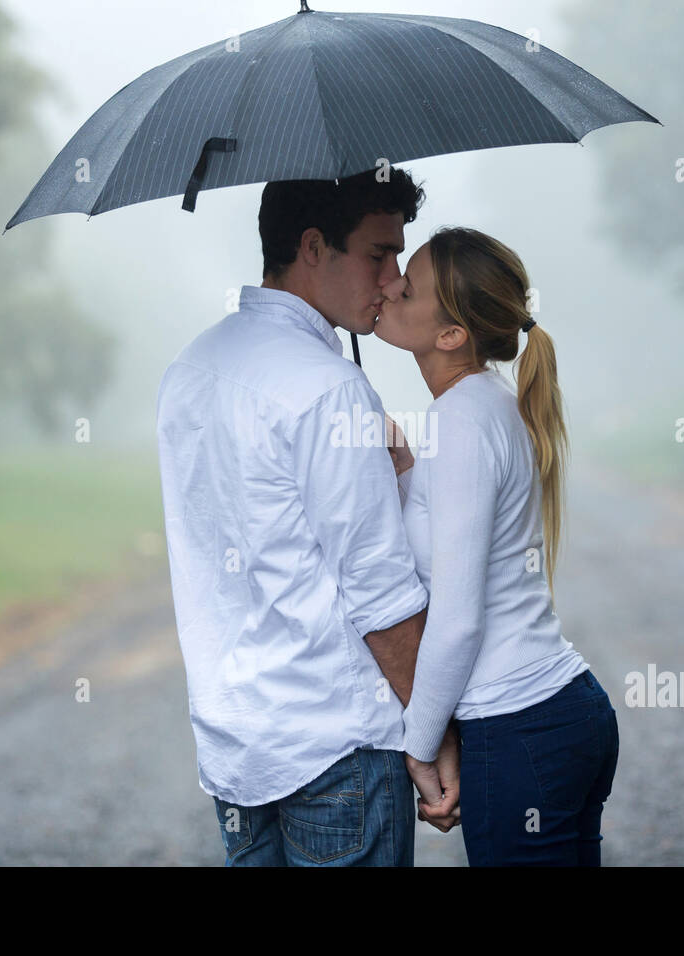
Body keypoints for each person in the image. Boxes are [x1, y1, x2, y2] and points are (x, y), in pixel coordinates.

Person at [155, 167, 459, 866]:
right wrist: (435, 735)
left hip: (238, 750)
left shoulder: (190, 370)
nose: (392, 279)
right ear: (314, 248)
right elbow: (380, 595)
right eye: (379, 254)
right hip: (337, 746)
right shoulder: (328, 390)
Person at [373, 226, 620, 866]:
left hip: (519, 729)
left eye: (411, 286)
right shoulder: (487, 405)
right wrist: (405, 467)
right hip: (560, 714)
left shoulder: (461, 420)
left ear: (452, 335)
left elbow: (457, 623)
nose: (392, 285)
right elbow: (451, 527)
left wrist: (419, 746)